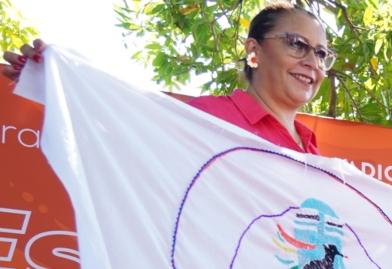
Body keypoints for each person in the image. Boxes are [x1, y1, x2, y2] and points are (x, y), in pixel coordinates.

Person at [2, 2, 332, 154]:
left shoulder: (315, 152)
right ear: (254, 51)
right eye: (296, 44)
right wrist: (54, 83)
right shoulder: (206, 118)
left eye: (320, 53)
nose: (311, 62)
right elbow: (115, 134)